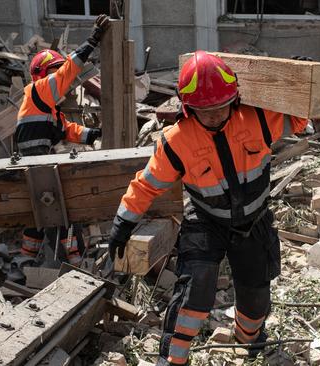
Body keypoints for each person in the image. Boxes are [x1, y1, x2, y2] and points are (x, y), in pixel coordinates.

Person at [107, 50, 308, 365]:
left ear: (235, 99)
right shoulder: (176, 142)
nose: (214, 115)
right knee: (193, 294)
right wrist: (122, 223)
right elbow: (146, 186)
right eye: (205, 110)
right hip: (205, 221)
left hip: (253, 222)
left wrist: (297, 81)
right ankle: (171, 360)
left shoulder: (257, 119)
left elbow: (300, 117)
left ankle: (249, 338)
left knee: (256, 298)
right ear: (187, 108)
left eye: (220, 107)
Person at [15, 14, 108, 266]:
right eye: (55, 73)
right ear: (43, 74)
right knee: (63, 211)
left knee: (39, 216)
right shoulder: (39, 90)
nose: (63, 83)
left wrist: (97, 134)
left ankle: (24, 265)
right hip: (36, 166)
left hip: (36, 166)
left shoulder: (47, 109)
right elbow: (68, 71)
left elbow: (69, 130)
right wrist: (93, 39)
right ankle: (75, 263)